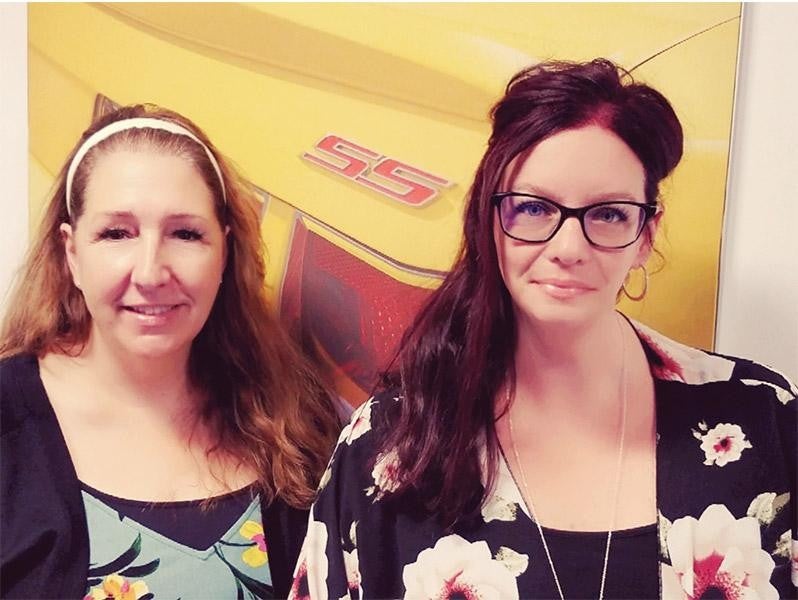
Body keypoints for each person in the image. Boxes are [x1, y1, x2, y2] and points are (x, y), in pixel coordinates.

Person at [289, 59, 797, 599]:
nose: (568, 249)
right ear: (490, 220)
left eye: (608, 214)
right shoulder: (393, 445)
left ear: (646, 234)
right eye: (533, 208)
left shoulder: (759, 418)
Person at [0, 104, 342, 599]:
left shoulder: (292, 423)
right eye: (116, 233)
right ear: (71, 254)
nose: (150, 272)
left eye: (185, 234)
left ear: (224, 251)